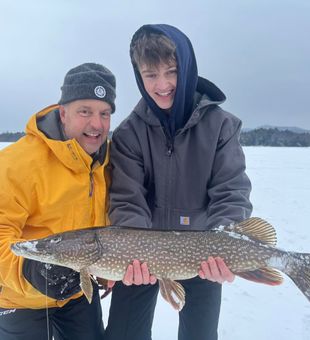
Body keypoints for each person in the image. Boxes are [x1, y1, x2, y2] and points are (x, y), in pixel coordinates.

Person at [105, 24, 252, 340]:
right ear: (138, 76)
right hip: (139, 259)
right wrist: (137, 250)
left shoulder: (221, 126)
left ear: (186, 68)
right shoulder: (130, 133)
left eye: (171, 72)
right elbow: (127, 197)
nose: (162, 85)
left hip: (201, 255)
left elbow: (231, 191)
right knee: (123, 334)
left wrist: (223, 238)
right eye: (150, 75)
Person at [0, 62, 116, 340]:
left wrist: (105, 268)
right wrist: (32, 272)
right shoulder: (17, 163)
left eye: (105, 113)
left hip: (77, 294)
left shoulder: (107, 161)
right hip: (20, 298)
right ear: (63, 113)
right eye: (84, 112)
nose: (96, 124)